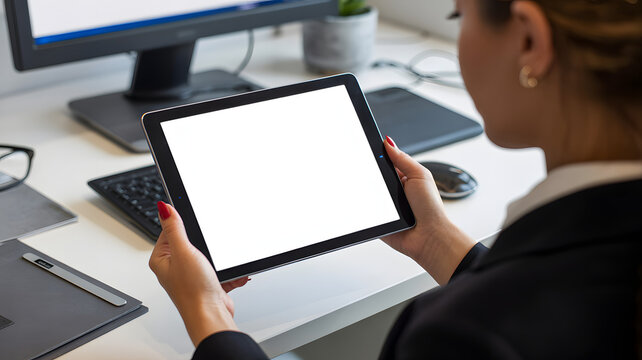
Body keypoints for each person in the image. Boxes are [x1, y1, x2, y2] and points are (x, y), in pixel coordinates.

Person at [149, 0, 642, 358]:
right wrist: (436, 241)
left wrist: (208, 316)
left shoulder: (469, 334)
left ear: (530, 39)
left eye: (458, 15)